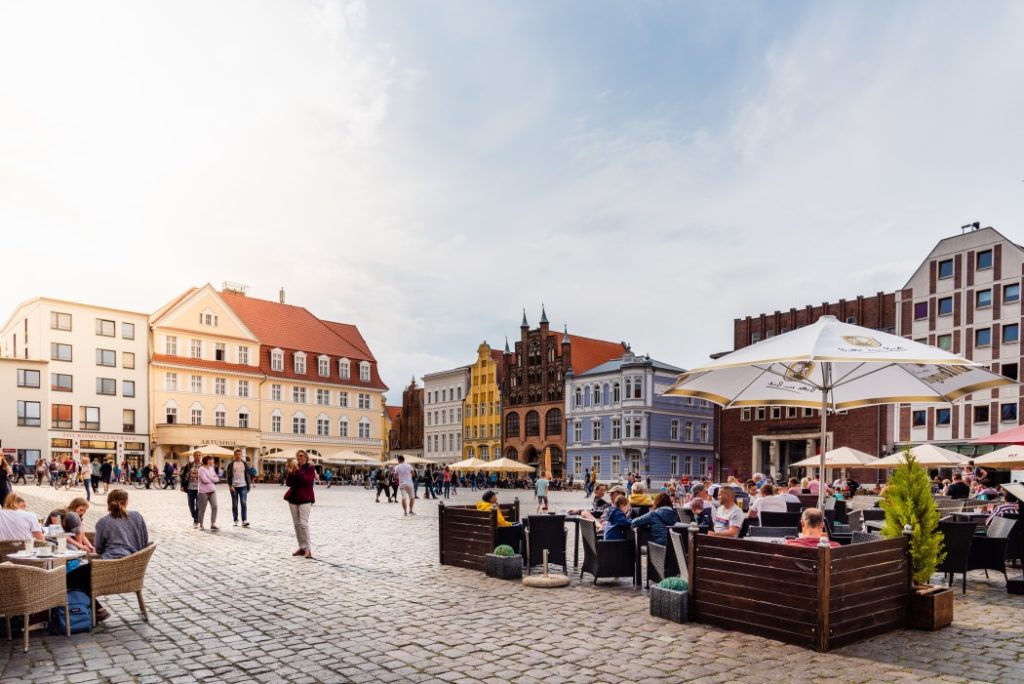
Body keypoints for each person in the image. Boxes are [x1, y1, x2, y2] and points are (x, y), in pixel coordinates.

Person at [284, 450, 316, 558]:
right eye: (297, 456)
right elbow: (288, 483)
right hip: (293, 497)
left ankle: (308, 549)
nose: (299, 458)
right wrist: (289, 472)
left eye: (301, 456)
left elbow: (306, 481)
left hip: (305, 497)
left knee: (303, 523)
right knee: (297, 525)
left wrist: (297, 471)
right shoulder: (295, 467)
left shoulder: (310, 468)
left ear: (306, 457)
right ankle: (302, 547)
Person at [226, 448, 251, 527]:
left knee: (243, 503)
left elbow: (247, 475)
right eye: (236, 454)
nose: (238, 456)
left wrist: (248, 486)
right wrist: (230, 486)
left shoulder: (245, 464)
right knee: (235, 504)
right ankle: (235, 519)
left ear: (241, 455)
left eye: (239, 454)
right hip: (234, 487)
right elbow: (228, 476)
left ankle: (244, 520)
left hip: (243, 486)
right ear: (234, 455)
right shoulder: (231, 464)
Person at [197, 455, 220, 531]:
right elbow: (204, 480)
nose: (213, 461)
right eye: (212, 459)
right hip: (203, 492)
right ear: (207, 460)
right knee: (202, 509)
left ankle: (213, 524)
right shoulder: (201, 469)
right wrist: (212, 479)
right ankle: (201, 524)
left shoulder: (211, 469)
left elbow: (217, 479)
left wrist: (210, 477)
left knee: (215, 506)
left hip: (212, 490)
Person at [180, 451, 202, 528]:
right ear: (193, 456)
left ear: (201, 456)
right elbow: (183, 476)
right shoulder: (189, 465)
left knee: (199, 505)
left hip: (200, 489)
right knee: (191, 505)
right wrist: (182, 486)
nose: (197, 457)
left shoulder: (203, 466)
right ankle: (195, 516)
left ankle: (196, 520)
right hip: (190, 488)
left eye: (199, 455)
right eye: (196, 455)